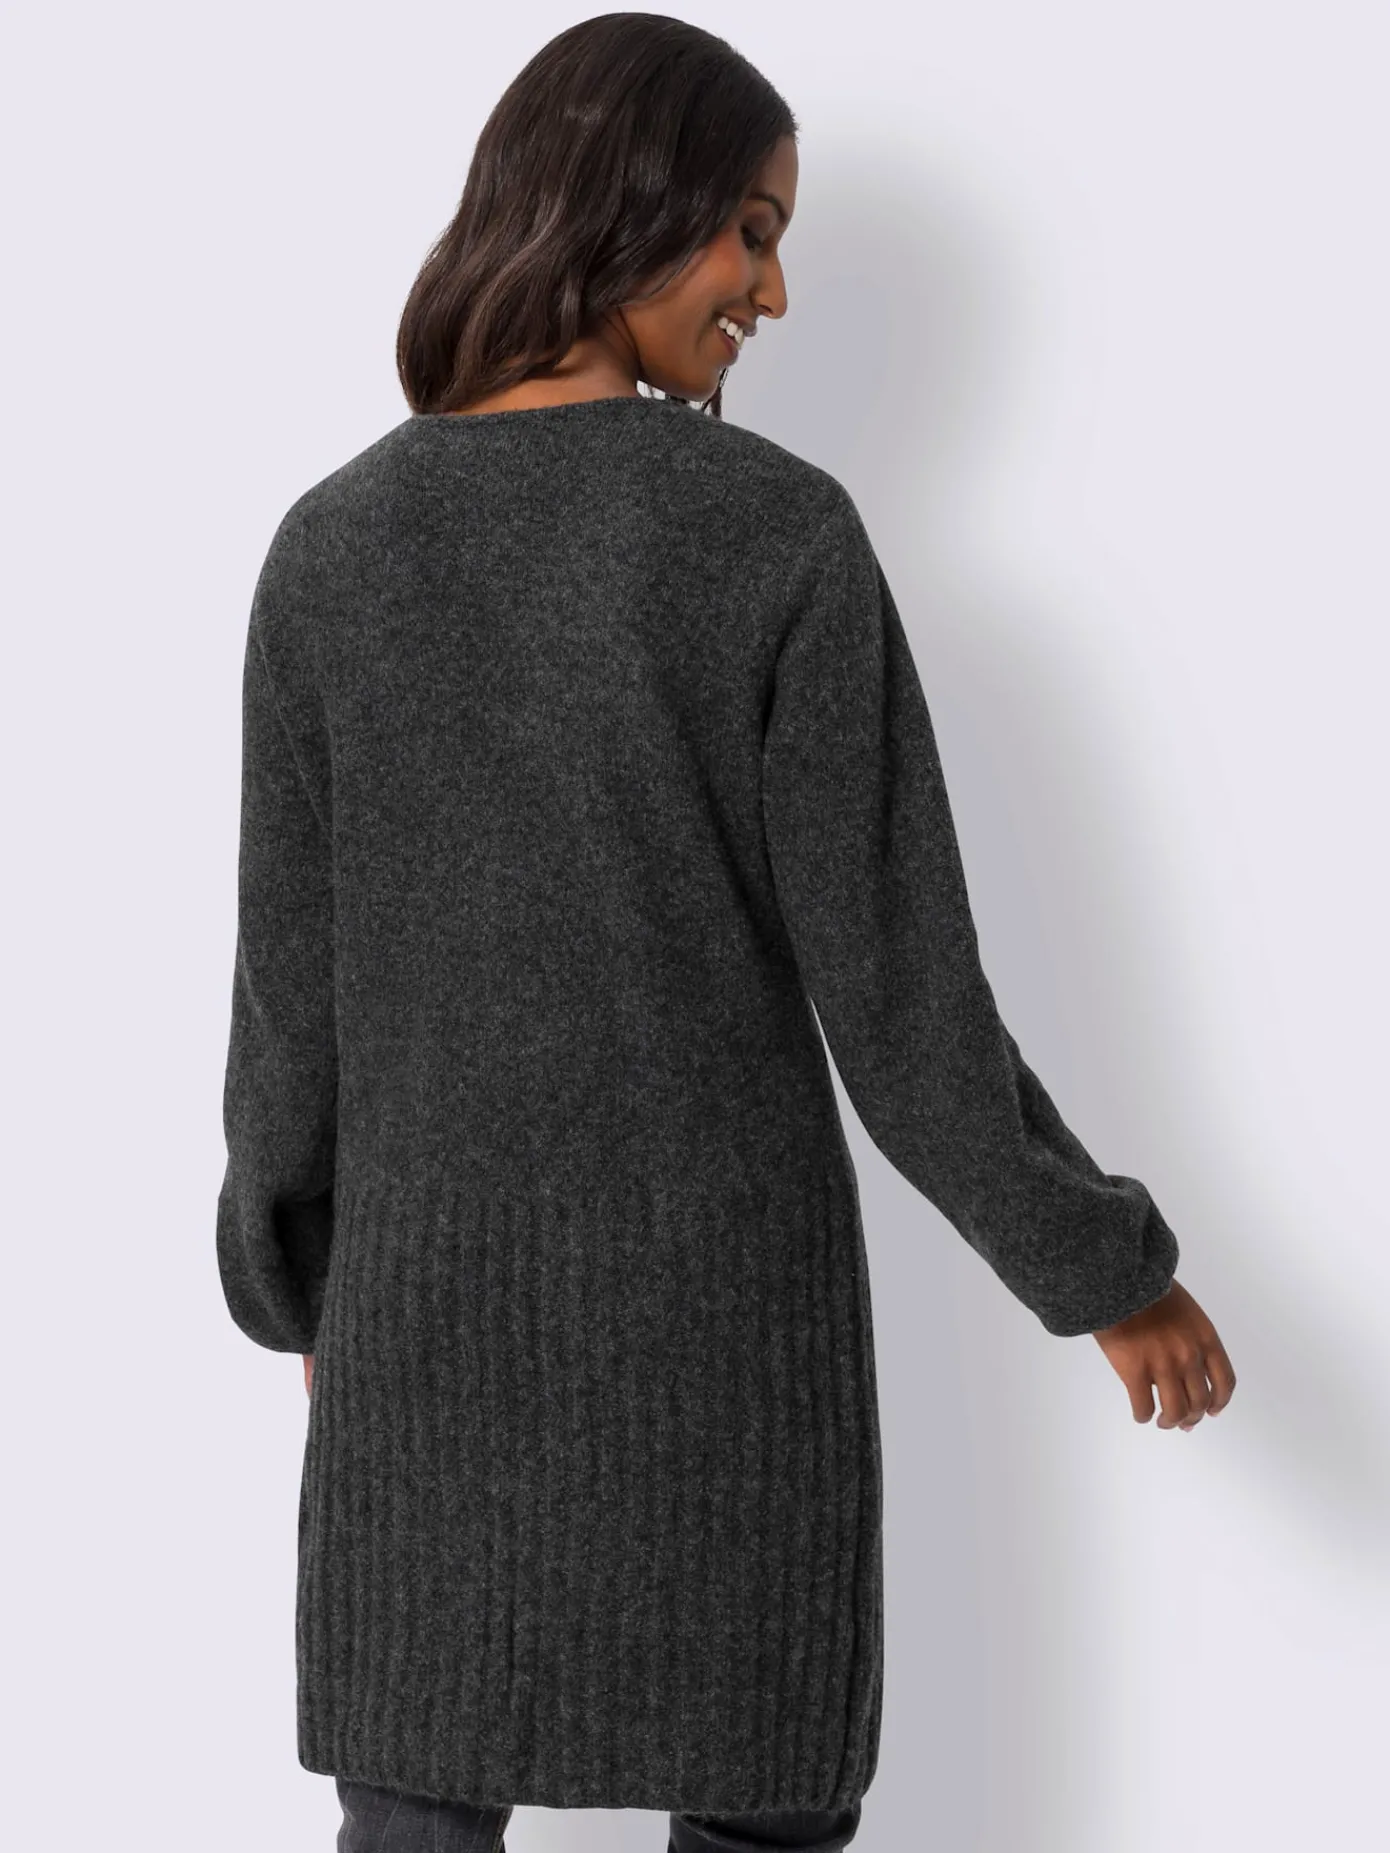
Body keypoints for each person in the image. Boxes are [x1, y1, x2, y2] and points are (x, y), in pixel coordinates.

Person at [214, 15, 1236, 1853]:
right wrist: (1107, 1270)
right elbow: (902, 996)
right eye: (747, 231)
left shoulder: (331, 547)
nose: (771, 289)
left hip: (423, 1332)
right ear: (625, 203)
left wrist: (301, 1281)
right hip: (725, 1352)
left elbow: (291, 1010)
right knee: (761, 1806)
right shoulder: (772, 535)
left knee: (414, 1815)